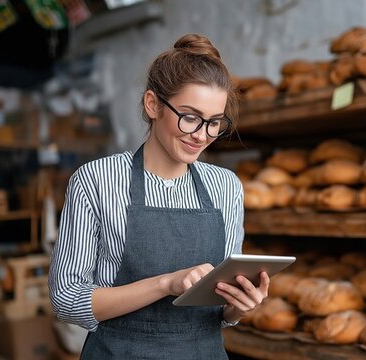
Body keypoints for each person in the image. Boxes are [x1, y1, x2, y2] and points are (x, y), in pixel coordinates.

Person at [49, 33, 269, 359]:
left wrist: (239, 307)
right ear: (153, 104)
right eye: (190, 117)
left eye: (214, 123)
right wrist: (166, 284)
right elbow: (66, 299)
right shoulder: (96, 180)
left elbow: (221, 312)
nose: (202, 135)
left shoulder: (226, 187)